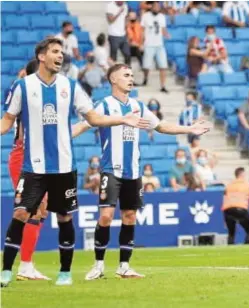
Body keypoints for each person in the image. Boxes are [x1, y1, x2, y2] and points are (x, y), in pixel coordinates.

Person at [0, 37, 150, 287]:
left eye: (62, 52)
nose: (61, 56)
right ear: (42, 56)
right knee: (20, 213)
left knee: (64, 217)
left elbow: (92, 117)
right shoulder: (23, 86)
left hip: (64, 167)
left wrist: (122, 120)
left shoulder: (71, 86)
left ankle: (65, 272)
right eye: (55, 52)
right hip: (32, 166)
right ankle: (6, 270)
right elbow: (7, 121)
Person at [72, 64, 211, 281]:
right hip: (111, 170)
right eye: (126, 75)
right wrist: (61, 138)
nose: (130, 78)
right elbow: (84, 124)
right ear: (113, 79)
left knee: (129, 216)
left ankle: (124, 266)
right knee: (106, 217)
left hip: (133, 172)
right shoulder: (105, 105)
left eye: (132, 75)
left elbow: (161, 126)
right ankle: (98, 265)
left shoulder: (138, 106)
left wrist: (189, 129)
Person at [3, 59, 50, 281]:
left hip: (41, 159)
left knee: (41, 211)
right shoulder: (25, 93)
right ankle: (23, 265)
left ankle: (26, 265)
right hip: (24, 157)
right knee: (29, 210)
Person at [222, 167, 249, 244]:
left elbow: (224, 200)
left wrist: (224, 219)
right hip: (240, 209)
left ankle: (230, 248)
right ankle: (247, 246)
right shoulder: (248, 185)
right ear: (242, 174)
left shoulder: (229, 185)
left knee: (231, 232)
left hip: (228, 210)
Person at [141, 1, 171, 92]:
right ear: (152, 7)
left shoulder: (162, 17)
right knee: (146, 66)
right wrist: (141, 43)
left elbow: (163, 29)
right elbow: (142, 30)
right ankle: (145, 79)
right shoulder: (145, 16)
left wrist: (167, 34)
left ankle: (163, 85)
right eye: (155, 6)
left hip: (159, 45)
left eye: (158, 7)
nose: (156, 8)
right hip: (149, 44)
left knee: (163, 66)